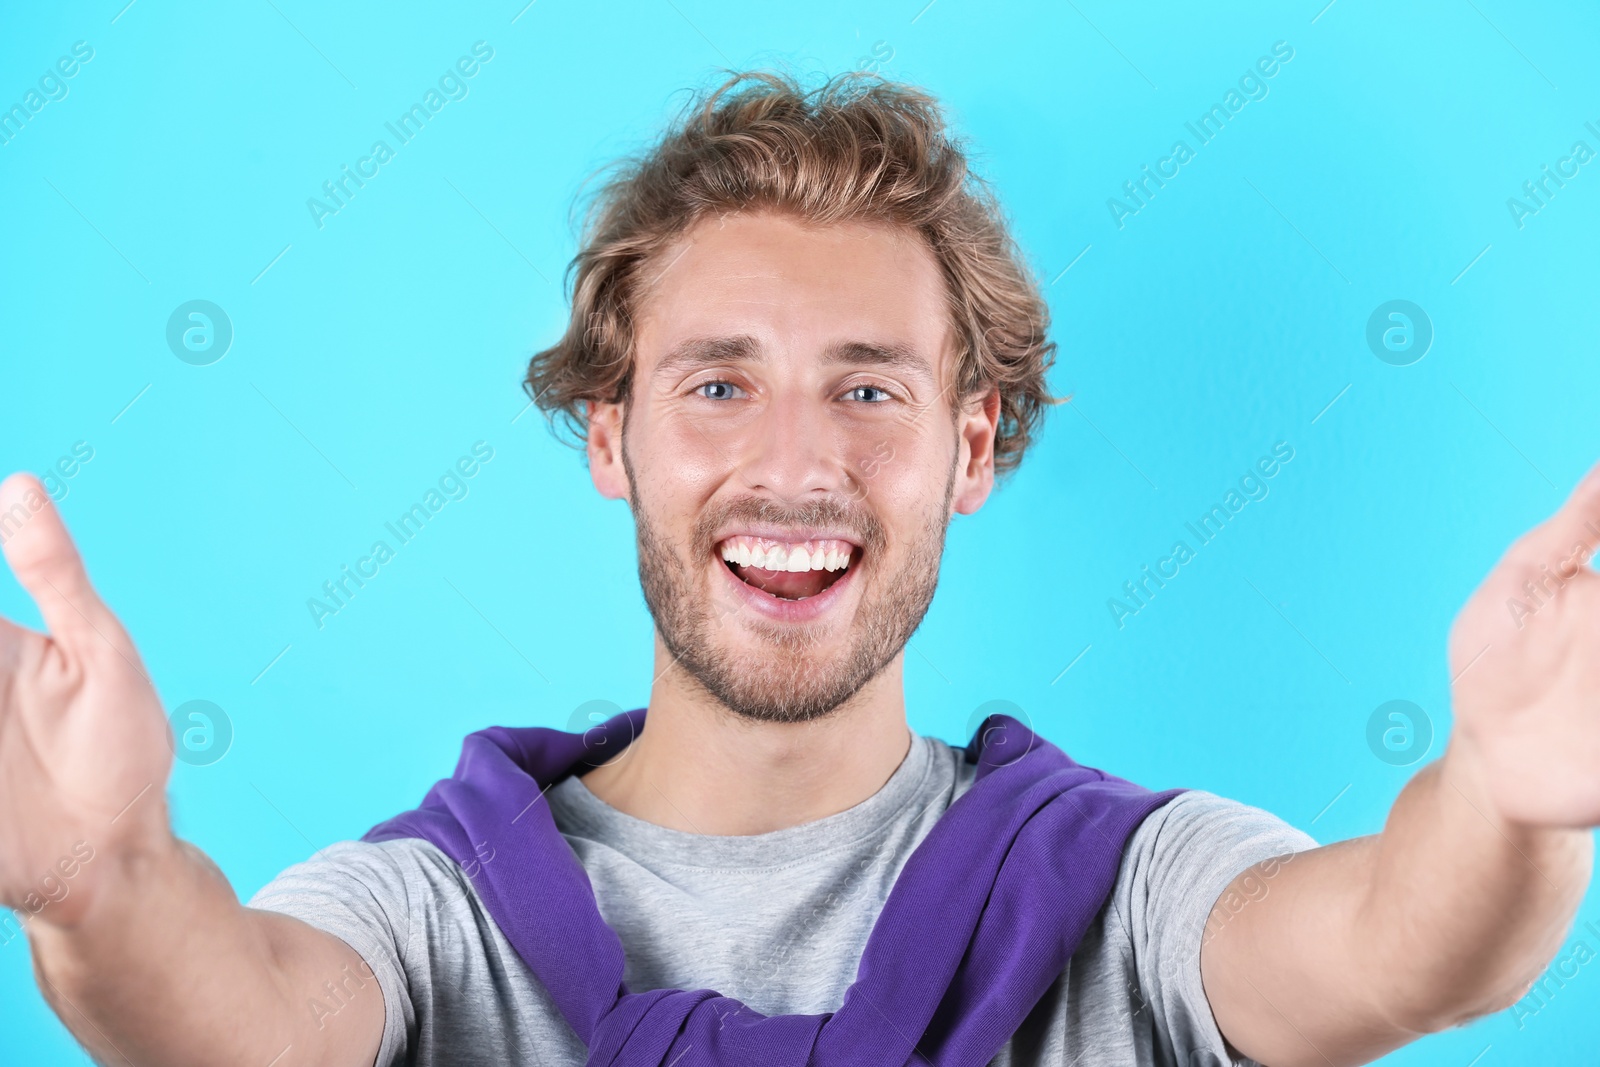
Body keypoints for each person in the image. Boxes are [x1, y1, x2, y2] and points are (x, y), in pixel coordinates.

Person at [1, 70, 1595, 1067]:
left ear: (970, 449)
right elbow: (235, 1024)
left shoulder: (1123, 889)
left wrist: (1508, 808)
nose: (794, 464)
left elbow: (1397, 945)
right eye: (715, 384)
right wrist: (97, 889)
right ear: (609, 440)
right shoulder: (436, 918)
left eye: (868, 388)